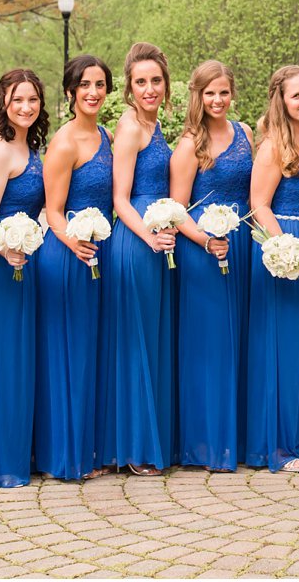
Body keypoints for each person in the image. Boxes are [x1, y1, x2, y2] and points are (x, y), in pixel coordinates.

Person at [0, 68, 51, 489]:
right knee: (1, 357)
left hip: (23, 260)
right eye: (18, 99)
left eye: (33, 99)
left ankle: (21, 449)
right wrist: (5, 246)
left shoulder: (29, 144)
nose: (26, 107)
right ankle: (0, 457)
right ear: (2, 101)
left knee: (20, 357)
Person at [245, 65, 299, 472]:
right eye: (297, 95)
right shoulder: (273, 146)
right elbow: (258, 204)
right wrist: (282, 246)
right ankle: (281, 444)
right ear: (281, 100)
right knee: (287, 349)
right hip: (285, 249)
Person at [170, 60, 251, 471]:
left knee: (239, 342)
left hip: (243, 250)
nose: (218, 100)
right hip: (203, 251)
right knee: (209, 345)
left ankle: (235, 437)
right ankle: (205, 443)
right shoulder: (189, 145)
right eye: (210, 93)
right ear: (198, 96)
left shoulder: (246, 134)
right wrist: (206, 240)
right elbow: (176, 209)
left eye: (224, 92)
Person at [101, 42, 177, 474]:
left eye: (156, 81)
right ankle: (135, 449)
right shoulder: (130, 128)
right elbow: (120, 198)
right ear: (129, 87)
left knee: (150, 342)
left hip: (158, 242)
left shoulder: (157, 124)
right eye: (141, 82)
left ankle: (149, 441)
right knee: (136, 346)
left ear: (166, 85)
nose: (149, 89)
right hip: (136, 243)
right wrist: (149, 237)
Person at [39, 55, 114, 480]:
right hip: (68, 255)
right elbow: (52, 210)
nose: (93, 92)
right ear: (70, 93)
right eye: (85, 85)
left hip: (96, 255)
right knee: (68, 352)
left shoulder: (105, 134)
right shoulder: (65, 142)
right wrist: (76, 243)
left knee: (90, 351)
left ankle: (89, 449)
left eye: (100, 84)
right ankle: (65, 455)